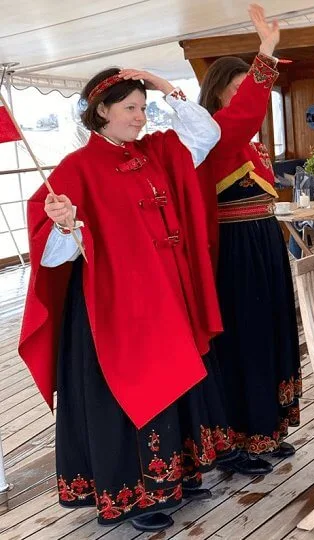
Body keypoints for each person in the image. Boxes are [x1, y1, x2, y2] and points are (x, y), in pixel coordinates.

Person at [19, 68, 229, 532]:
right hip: (113, 306)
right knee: (130, 390)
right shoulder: (77, 167)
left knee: (173, 378)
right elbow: (52, 254)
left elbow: (205, 132)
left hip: (164, 298)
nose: (140, 116)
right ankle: (134, 496)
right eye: (130, 108)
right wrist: (64, 223)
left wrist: (160, 84)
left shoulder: (155, 151)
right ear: (102, 112)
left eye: (142, 107)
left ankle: (178, 477)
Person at [197, 3, 301, 475]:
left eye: (247, 90)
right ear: (216, 95)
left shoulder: (252, 144)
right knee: (246, 341)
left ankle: (270, 429)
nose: (245, 100)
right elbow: (243, 114)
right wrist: (265, 53)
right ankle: (240, 438)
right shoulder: (214, 135)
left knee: (273, 333)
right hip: (237, 253)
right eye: (235, 91)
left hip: (264, 244)